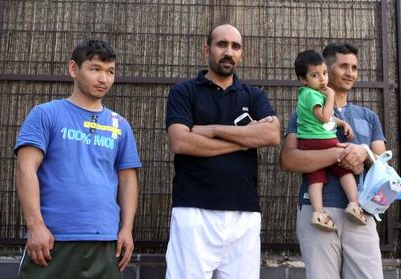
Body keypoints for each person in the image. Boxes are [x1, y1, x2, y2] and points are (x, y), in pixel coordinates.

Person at [15, 40, 141, 279]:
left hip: (106, 240)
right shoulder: (45, 114)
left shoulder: (120, 125)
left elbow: (127, 179)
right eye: (95, 69)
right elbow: (25, 169)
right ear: (74, 69)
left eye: (110, 71)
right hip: (53, 240)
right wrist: (35, 226)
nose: (104, 79)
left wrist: (126, 229)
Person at [165, 24, 281, 279]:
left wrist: (212, 129)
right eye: (222, 44)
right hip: (194, 212)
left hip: (245, 214)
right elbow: (182, 143)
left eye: (235, 46)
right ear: (207, 49)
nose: (229, 52)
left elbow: (271, 134)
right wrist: (245, 139)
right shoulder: (184, 92)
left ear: (241, 54)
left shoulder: (254, 95)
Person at [280, 43, 385, 279]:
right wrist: (338, 154)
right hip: (317, 211)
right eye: (344, 66)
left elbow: (383, 162)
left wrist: (363, 153)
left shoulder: (369, 117)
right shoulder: (304, 111)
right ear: (325, 70)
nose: (350, 73)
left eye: (355, 67)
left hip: (362, 213)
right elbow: (288, 159)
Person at [293, 49, 367, 231]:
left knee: (316, 178)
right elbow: (325, 117)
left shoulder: (305, 94)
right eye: (315, 75)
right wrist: (331, 97)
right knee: (344, 168)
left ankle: (318, 212)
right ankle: (354, 204)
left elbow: (325, 118)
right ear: (303, 79)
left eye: (324, 73)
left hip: (308, 144)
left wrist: (342, 123)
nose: (322, 79)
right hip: (322, 140)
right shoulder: (313, 95)